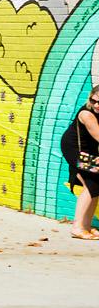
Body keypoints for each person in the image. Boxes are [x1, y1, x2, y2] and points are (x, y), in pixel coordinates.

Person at [61, 85, 99, 240]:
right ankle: (77, 227)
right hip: (75, 151)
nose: (96, 105)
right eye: (94, 100)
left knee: (96, 185)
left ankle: (86, 226)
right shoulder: (87, 114)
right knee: (91, 185)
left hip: (88, 150)